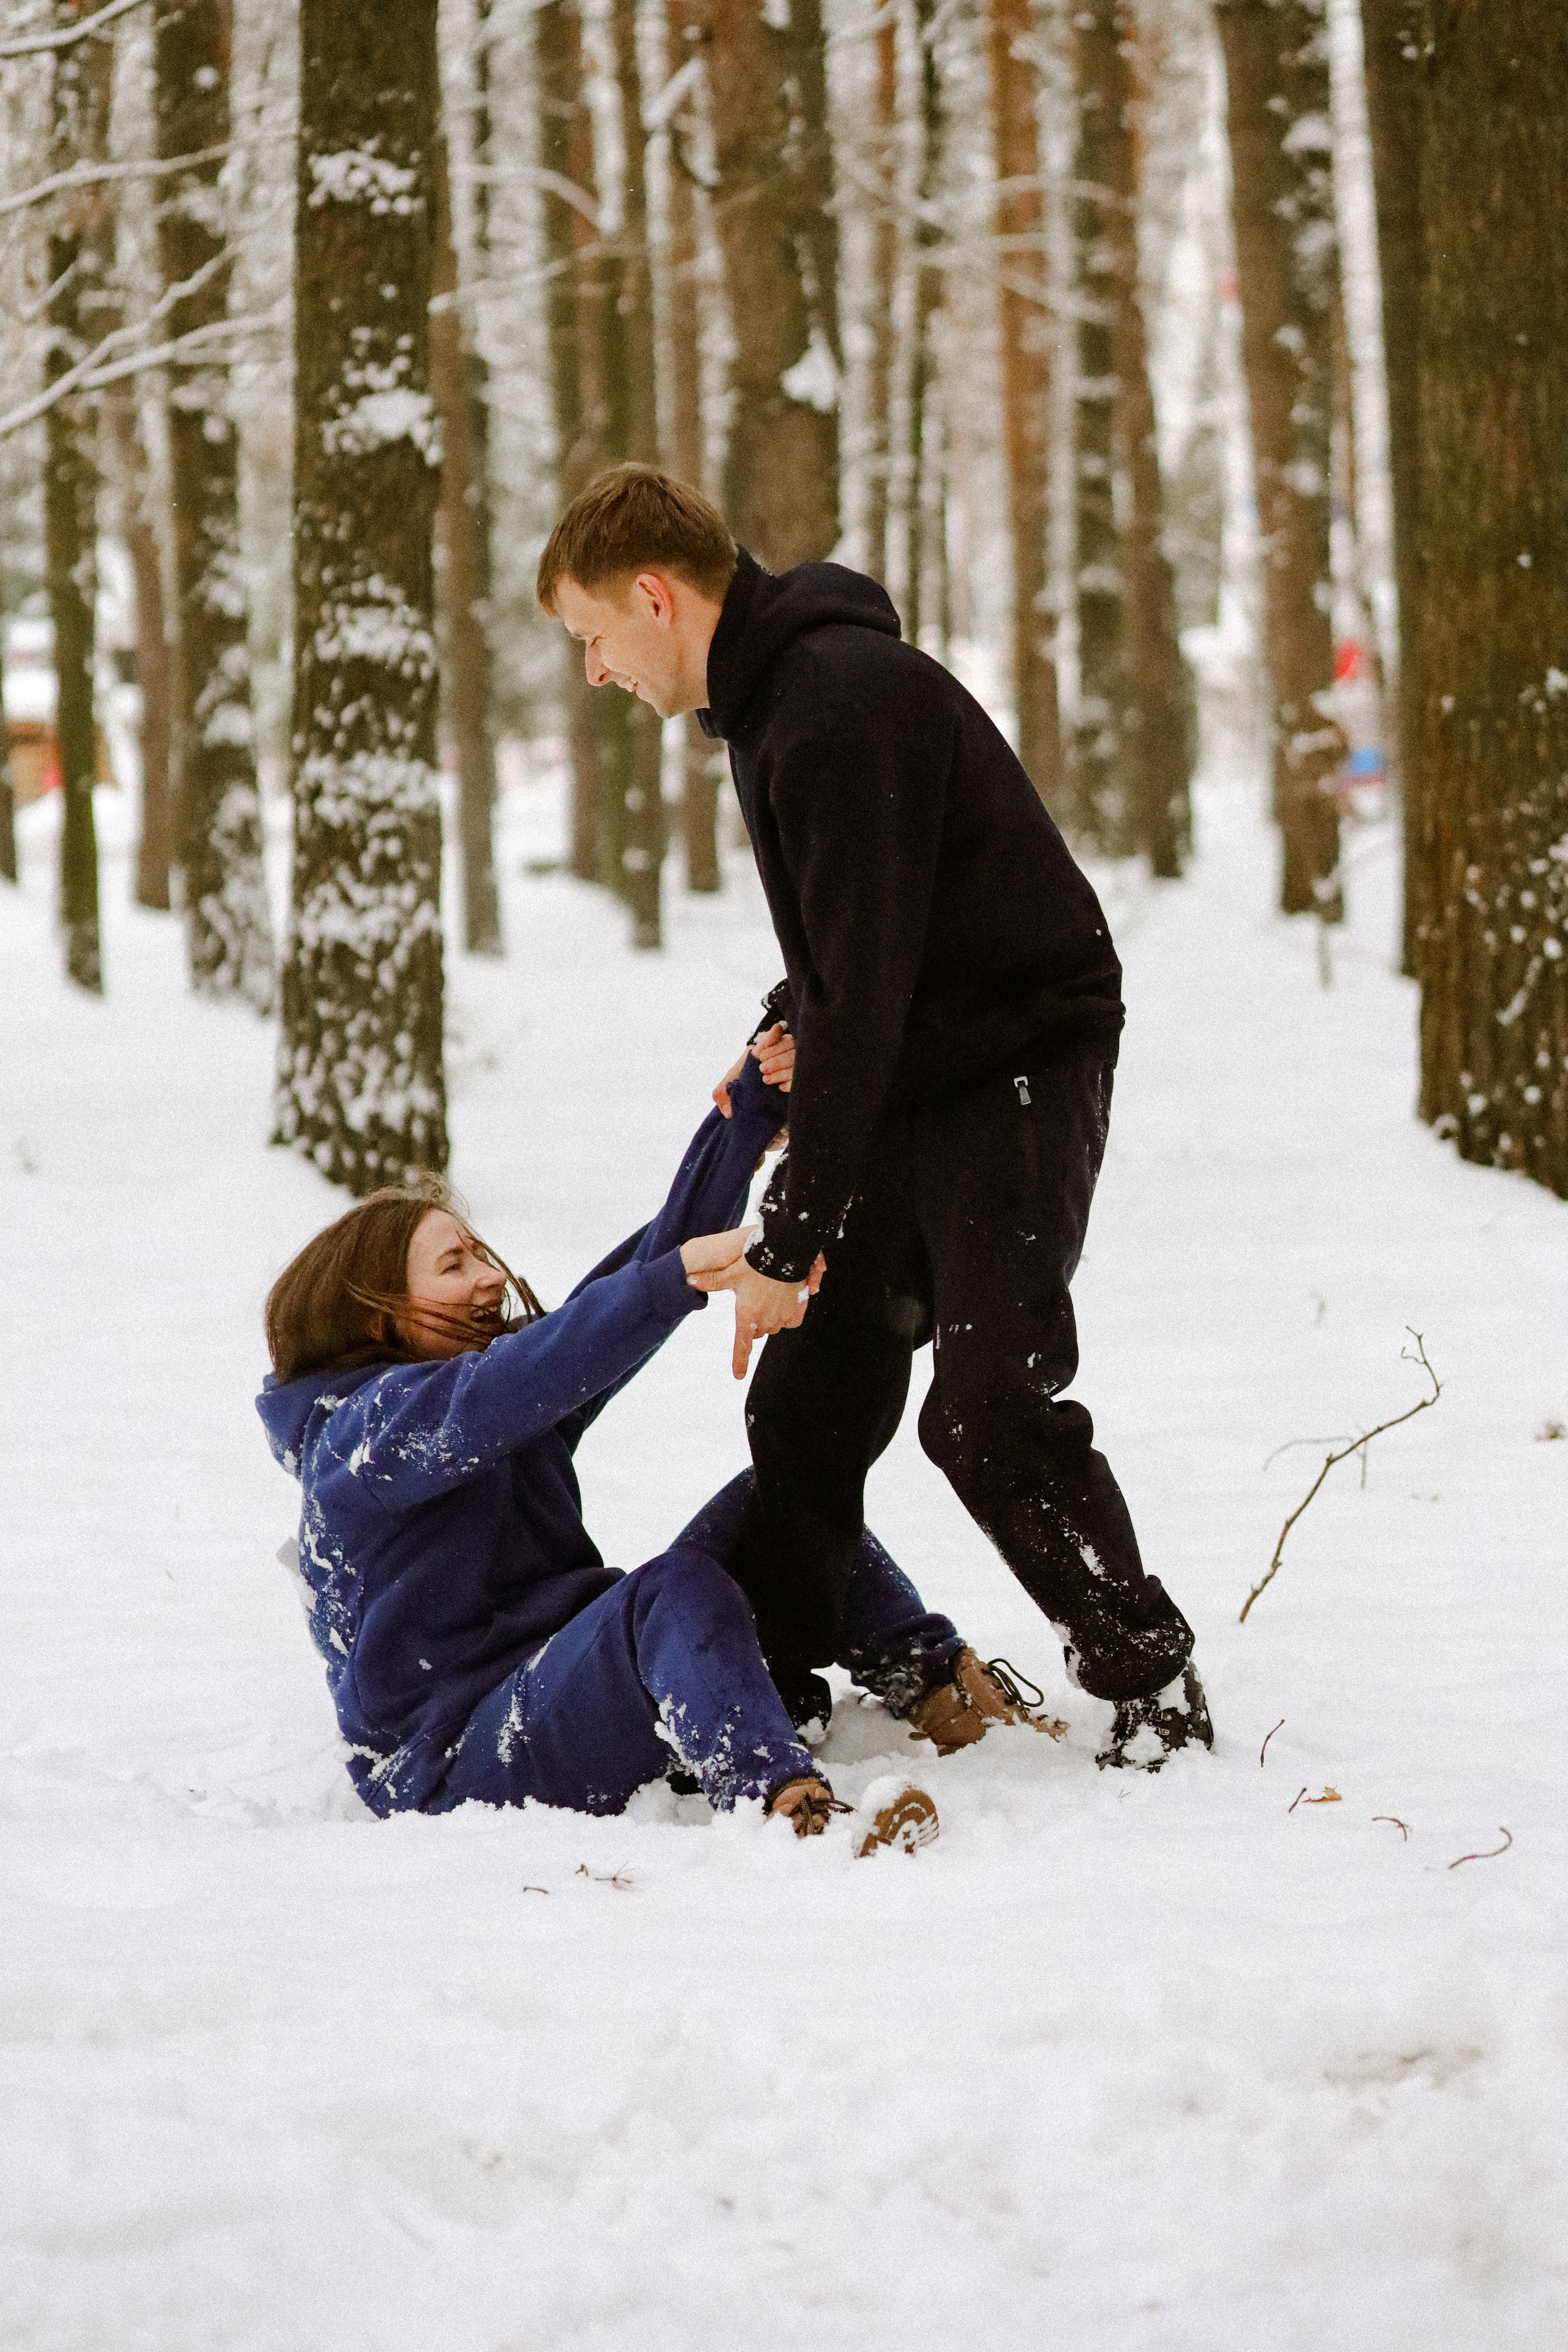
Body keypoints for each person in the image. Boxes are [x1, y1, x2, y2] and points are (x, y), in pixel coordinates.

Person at [536, 462, 1212, 1772]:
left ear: (655, 597)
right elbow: (850, 952)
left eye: (592, 636)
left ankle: (1152, 1682)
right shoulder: (773, 709)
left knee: (982, 1411)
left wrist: (790, 1236)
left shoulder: (836, 704)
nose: (595, 670)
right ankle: (781, 1679)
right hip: (913, 1056)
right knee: (810, 1401)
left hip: (1014, 1058)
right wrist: (778, 1042)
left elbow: (869, 977)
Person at [256, 1033, 1013, 1844]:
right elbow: (514, 1382)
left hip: (561, 1691)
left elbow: (633, 1280)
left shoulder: (494, 1387)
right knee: (671, 1591)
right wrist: (679, 1277)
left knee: (786, 1488)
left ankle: (942, 1687)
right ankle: (787, 1813)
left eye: (481, 1252)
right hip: (454, 1759)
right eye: (453, 1266)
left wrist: (744, 1122)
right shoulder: (358, 1437)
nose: (489, 1278)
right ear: (377, 1318)